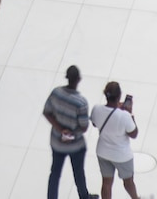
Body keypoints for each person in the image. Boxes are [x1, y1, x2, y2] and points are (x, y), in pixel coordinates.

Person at [43, 65, 99, 199]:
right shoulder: (81, 102)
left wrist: (60, 129)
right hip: (76, 145)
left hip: (57, 141)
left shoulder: (56, 93)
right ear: (78, 79)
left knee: (55, 173)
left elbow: (47, 112)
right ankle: (84, 196)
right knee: (78, 172)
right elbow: (84, 127)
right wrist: (71, 133)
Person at [90, 82, 144, 199]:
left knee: (106, 183)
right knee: (128, 182)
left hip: (103, 152)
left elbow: (94, 123)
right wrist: (130, 114)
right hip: (121, 155)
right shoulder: (124, 116)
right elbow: (134, 134)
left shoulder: (96, 109)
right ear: (119, 96)